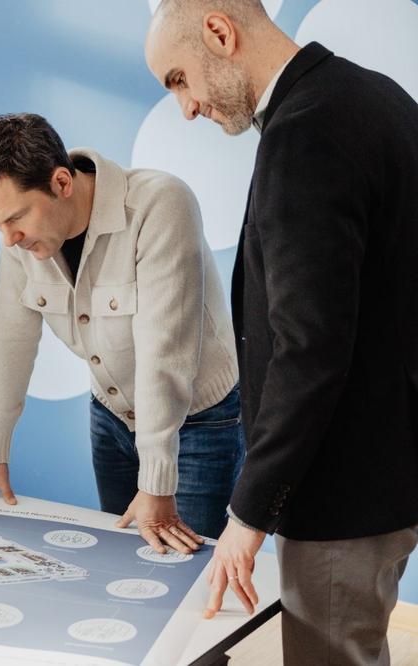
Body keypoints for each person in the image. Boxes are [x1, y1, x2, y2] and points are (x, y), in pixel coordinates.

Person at [145, 2, 418, 663]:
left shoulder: (306, 132)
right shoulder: (376, 96)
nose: (186, 107)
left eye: (179, 79)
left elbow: (310, 348)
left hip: (342, 490)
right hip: (391, 466)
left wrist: (249, 512)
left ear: (219, 32)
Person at [0, 113, 244, 551]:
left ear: (62, 182)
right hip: (111, 415)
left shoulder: (160, 205)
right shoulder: (21, 240)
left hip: (196, 423)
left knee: (184, 567)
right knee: (122, 558)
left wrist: (157, 480)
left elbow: (163, 351)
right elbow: (9, 339)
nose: (8, 240)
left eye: (15, 218)